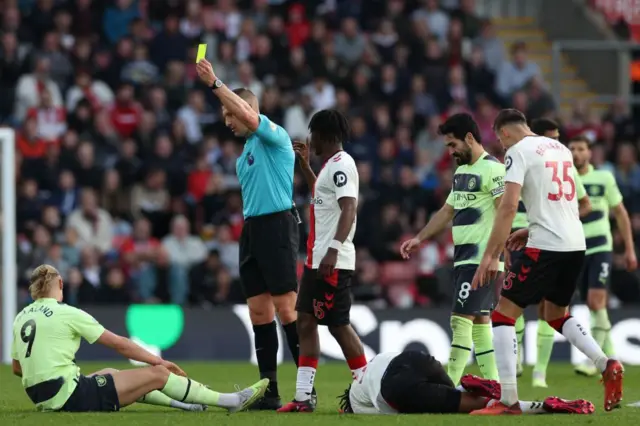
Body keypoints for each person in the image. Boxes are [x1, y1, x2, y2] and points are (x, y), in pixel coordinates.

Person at [471, 109, 623, 414]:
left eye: (500, 142)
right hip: (575, 245)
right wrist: (530, 229)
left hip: (547, 247)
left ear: (504, 134)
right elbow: (560, 202)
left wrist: (490, 256)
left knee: (502, 315)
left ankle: (508, 402)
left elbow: (508, 205)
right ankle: (605, 363)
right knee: (555, 314)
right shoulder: (560, 148)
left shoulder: (516, 152)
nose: (502, 148)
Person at [11, 264, 268, 413]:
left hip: (41, 398)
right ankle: (231, 401)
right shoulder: (67, 313)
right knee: (157, 374)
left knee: (111, 373)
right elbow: (120, 344)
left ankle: (187, 406)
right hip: (68, 396)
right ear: (61, 285)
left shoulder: (21, 316)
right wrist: (159, 361)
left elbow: (17, 368)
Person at [196, 58, 302, 409]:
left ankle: (305, 389)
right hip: (253, 229)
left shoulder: (274, 136)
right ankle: (270, 391)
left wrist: (215, 85)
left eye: (231, 114)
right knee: (259, 311)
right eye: (225, 116)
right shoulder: (244, 158)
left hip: (277, 225)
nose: (227, 122)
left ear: (246, 110)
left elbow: (249, 115)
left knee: (287, 308)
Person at [399, 113, 501, 385]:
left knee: (460, 320)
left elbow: (506, 214)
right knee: (479, 323)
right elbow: (447, 211)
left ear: (469, 138)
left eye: (453, 145)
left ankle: (450, 385)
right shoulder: (462, 172)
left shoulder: (493, 169)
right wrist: (420, 238)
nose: (451, 152)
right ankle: (494, 384)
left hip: (481, 259)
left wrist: (494, 256)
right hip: (464, 258)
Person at [278, 110, 367, 413]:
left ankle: (365, 392)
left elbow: (349, 208)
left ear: (324, 134)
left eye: (312, 132)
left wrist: (333, 249)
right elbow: (324, 196)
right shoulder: (329, 168)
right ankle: (303, 397)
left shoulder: (343, 165)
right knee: (305, 321)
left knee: (339, 326)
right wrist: (305, 166)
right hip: (317, 261)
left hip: (333, 260)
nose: (309, 138)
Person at [513, 118, 591, 387]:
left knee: (524, 306)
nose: (555, 142)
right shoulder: (538, 154)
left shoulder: (535, 157)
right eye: (551, 136)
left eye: (558, 137)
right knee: (525, 306)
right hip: (530, 237)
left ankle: (538, 373)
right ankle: (518, 358)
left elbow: (584, 202)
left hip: (542, 240)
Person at [338, 350, 594, 415]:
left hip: (395, 387)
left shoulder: (357, 402)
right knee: (451, 391)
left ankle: (540, 406)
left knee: (472, 405)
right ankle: (465, 384)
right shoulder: (364, 368)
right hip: (414, 358)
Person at [569, 135, 637, 377]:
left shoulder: (604, 178)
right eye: (572, 149)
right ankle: (612, 358)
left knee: (596, 301)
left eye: (580, 149)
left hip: (600, 247)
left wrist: (629, 250)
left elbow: (621, 213)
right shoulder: (565, 180)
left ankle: (593, 361)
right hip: (575, 248)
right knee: (592, 305)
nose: (576, 153)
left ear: (589, 153)